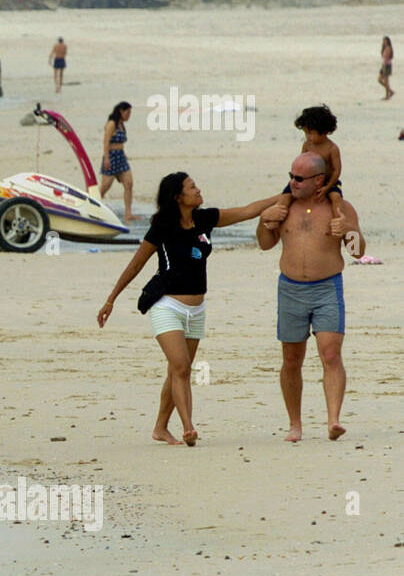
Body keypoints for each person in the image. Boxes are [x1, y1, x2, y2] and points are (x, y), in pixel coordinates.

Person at [98, 172, 279, 446]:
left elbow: (248, 211)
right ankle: (188, 427)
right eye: (192, 187)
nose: (198, 189)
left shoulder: (205, 219)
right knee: (181, 368)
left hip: (197, 309)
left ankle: (160, 427)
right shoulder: (162, 225)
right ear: (178, 197)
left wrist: (289, 192)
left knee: (177, 371)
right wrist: (111, 299)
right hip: (166, 305)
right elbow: (136, 264)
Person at [257, 152, 363, 442]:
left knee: (330, 353)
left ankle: (333, 420)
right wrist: (264, 222)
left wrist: (349, 231)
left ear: (319, 180)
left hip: (327, 288)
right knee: (291, 358)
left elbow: (358, 252)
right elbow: (265, 245)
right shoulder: (284, 206)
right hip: (290, 289)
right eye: (290, 175)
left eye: (299, 178)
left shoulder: (339, 208)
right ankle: (295, 424)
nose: (291, 182)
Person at [269, 104, 345, 228]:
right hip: (306, 178)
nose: (308, 137)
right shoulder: (307, 145)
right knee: (286, 195)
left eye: (310, 133)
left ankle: (338, 220)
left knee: (336, 197)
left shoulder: (332, 148)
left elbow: (337, 170)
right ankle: (277, 217)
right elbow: (302, 162)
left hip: (327, 180)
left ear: (324, 131)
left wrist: (327, 187)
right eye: (306, 133)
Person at [99, 101, 135, 222]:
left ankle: (128, 213)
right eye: (128, 112)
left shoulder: (121, 125)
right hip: (111, 157)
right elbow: (106, 141)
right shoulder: (112, 124)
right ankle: (93, 208)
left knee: (129, 184)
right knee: (104, 188)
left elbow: (120, 143)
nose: (129, 115)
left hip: (121, 157)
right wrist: (107, 158)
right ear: (121, 111)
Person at [378, 36, 393, 100]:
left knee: (386, 81)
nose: (384, 42)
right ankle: (390, 91)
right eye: (383, 41)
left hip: (387, 65)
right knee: (379, 80)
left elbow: (386, 58)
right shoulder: (384, 48)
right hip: (384, 65)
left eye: (385, 41)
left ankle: (387, 95)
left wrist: (384, 67)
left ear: (388, 41)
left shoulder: (388, 48)